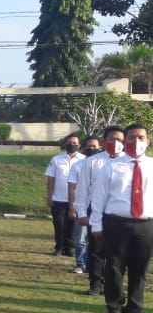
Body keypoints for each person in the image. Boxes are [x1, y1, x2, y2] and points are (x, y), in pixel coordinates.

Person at [89, 123, 153, 313]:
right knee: (114, 268)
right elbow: (99, 198)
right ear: (125, 141)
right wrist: (96, 224)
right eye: (132, 137)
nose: (136, 142)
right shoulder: (111, 166)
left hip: (146, 224)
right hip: (116, 223)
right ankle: (114, 308)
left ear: (148, 140)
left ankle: (135, 309)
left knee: (140, 268)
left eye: (141, 137)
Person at [74, 127, 124, 296]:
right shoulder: (92, 162)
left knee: (116, 253)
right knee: (96, 251)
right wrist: (81, 213)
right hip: (96, 211)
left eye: (120, 140)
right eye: (112, 139)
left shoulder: (129, 162)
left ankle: (113, 286)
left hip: (119, 212)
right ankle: (96, 284)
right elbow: (82, 189)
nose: (116, 143)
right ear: (103, 142)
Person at [66, 136, 103, 275]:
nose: (91, 149)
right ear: (83, 148)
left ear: (100, 148)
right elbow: (72, 188)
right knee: (81, 238)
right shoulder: (78, 166)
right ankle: (81, 264)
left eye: (94, 146)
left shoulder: (107, 165)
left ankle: (97, 266)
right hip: (83, 207)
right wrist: (72, 207)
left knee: (99, 239)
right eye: (89, 146)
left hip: (101, 208)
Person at [45, 135, 86, 257]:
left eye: (74, 143)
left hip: (77, 199)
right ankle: (59, 247)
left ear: (79, 145)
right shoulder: (56, 159)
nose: (71, 145)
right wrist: (49, 196)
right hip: (59, 198)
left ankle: (71, 248)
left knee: (73, 225)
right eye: (69, 142)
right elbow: (51, 179)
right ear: (65, 144)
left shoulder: (84, 160)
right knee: (59, 224)